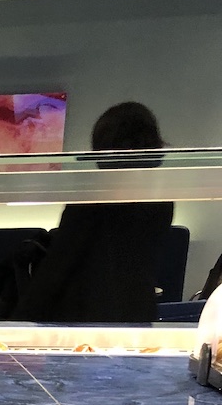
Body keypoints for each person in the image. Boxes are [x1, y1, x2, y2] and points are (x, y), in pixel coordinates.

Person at [12, 102, 174, 323]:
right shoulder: (161, 200)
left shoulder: (91, 200)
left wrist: (18, 324)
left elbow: (56, 270)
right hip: (137, 314)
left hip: (85, 319)